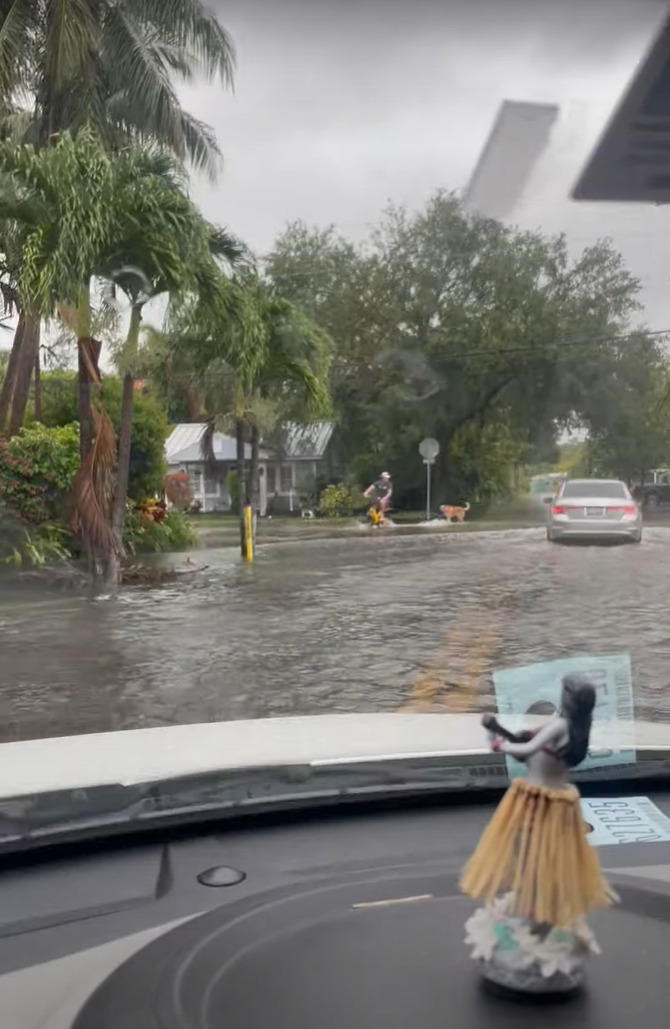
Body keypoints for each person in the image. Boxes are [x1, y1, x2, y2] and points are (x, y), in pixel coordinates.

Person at [460, 674, 616, 995]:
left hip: (536, 799)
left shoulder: (560, 727)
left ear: (568, 698)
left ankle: (534, 914)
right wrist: (516, 735)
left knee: (531, 858)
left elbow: (527, 749)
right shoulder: (575, 728)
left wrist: (498, 740)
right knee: (547, 858)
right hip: (559, 800)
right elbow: (536, 744)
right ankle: (540, 911)